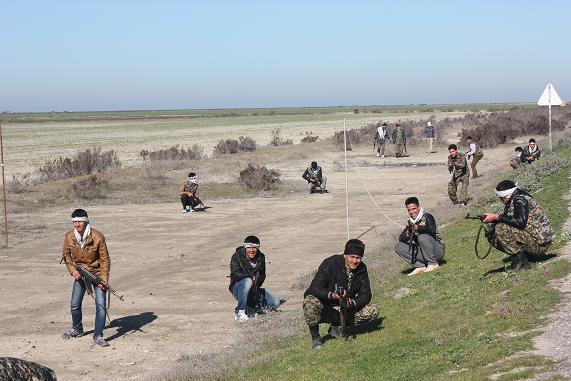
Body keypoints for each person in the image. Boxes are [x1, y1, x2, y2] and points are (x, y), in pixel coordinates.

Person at [303, 239, 379, 350]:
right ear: (345, 255)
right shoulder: (331, 263)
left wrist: (352, 303)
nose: (355, 261)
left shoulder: (362, 269)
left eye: (358, 258)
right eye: (352, 257)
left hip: (345, 308)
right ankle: (316, 338)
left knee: (373, 310)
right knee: (309, 302)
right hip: (326, 307)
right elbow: (314, 288)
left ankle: (336, 327)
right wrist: (331, 295)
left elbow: (366, 294)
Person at [61, 209, 111, 347]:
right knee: (75, 305)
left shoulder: (98, 237)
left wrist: (104, 280)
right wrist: (72, 271)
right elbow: (66, 256)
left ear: (86, 222)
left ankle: (98, 335)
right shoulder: (69, 237)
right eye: (74, 222)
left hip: (97, 274)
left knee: (101, 306)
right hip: (80, 274)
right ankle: (77, 329)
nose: (77, 224)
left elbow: (105, 260)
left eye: (79, 221)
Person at [482, 180, 554, 271]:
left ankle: (522, 262)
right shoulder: (518, 198)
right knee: (493, 232)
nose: (500, 200)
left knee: (500, 229)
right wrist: (494, 218)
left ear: (506, 196)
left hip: (540, 244)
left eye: (501, 197)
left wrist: (496, 217)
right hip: (539, 240)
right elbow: (513, 219)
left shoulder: (520, 200)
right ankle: (527, 257)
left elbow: (519, 222)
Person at [229, 235, 281, 322]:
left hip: (254, 289)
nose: (252, 250)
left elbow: (263, 275)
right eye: (249, 247)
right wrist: (250, 276)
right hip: (238, 288)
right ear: (245, 247)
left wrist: (257, 281)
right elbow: (235, 273)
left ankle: (253, 309)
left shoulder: (261, 257)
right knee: (248, 281)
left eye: (254, 248)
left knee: (275, 303)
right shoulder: (237, 256)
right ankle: (240, 312)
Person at [394, 197, 445, 275]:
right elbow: (401, 238)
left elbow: (431, 230)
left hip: (437, 252)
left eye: (414, 209)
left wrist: (419, 228)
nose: (412, 212)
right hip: (423, 252)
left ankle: (433, 264)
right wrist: (407, 233)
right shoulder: (410, 222)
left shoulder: (428, 217)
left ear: (419, 207)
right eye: (409, 210)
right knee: (398, 246)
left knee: (422, 237)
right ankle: (420, 266)